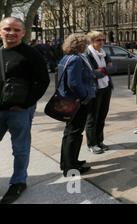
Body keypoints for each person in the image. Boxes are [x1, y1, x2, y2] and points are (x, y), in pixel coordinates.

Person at [0, 17, 50, 204]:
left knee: (20, 148)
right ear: (0, 31)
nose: (11, 33)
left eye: (16, 30)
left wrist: (27, 103)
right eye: (7, 29)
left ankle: (18, 182)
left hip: (18, 110)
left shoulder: (31, 54)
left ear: (23, 33)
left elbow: (43, 81)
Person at [58, 33, 96, 177]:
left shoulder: (66, 57)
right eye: (85, 44)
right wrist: (84, 96)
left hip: (69, 100)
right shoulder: (76, 59)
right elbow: (73, 83)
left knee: (69, 133)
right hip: (77, 102)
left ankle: (69, 162)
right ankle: (70, 167)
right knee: (74, 133)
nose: (86, 46)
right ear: (79, 45)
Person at [85, 31, 113, 154]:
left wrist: (102, 70)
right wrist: (102, 71)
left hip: (106, 87)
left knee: (102, 115)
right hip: (95, 89)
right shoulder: (87, 54)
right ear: (91, 41)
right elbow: (90, 73)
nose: (101, 42)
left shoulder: (104, 53)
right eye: (98, 40)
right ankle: (92, 143)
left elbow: (112, 67)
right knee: (92, 118)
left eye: (102, 40)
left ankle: (99, 141)